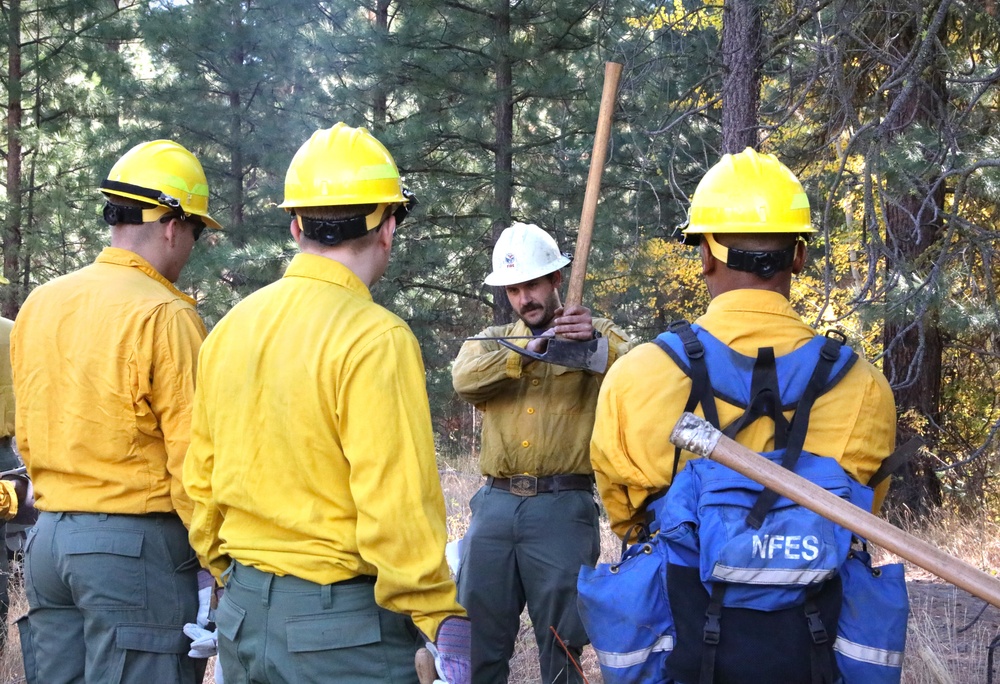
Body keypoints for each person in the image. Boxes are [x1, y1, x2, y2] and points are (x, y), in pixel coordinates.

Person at [589, 147, 897, 681]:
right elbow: (862, 514)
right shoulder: (864, 386)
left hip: (686, 643)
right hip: (813, 649)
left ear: (705, 254)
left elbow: (628, 516)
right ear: (798, 257)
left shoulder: (639, 375)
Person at [183, 122, 470, 684]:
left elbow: (202, 483)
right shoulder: (376, 339)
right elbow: (397, 506)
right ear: (388, 227)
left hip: (243, 615)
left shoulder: (231, 328)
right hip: (343, 637)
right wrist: (439, 614)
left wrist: (229, 574)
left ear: (296, 226)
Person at [10, 139, 220, 683]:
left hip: (49, 540)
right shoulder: (165, 314)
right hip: (131, 553)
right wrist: (217, 559)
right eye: (196, 230)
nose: (192, 245)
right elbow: (193, 457)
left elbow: (29, 431)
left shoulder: (42, 303)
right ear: (173, 224)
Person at [452, 221, 631, 684]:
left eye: (531, 284)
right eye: (513, 289)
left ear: (556, 278)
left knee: (563, 643)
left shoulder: (597, 332)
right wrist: (528, 352)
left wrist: (590, 346)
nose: (523, 298)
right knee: (476, 638)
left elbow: (639, 373)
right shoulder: (493, 340)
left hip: (562, 507)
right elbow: (464, 379)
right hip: (493, 507)